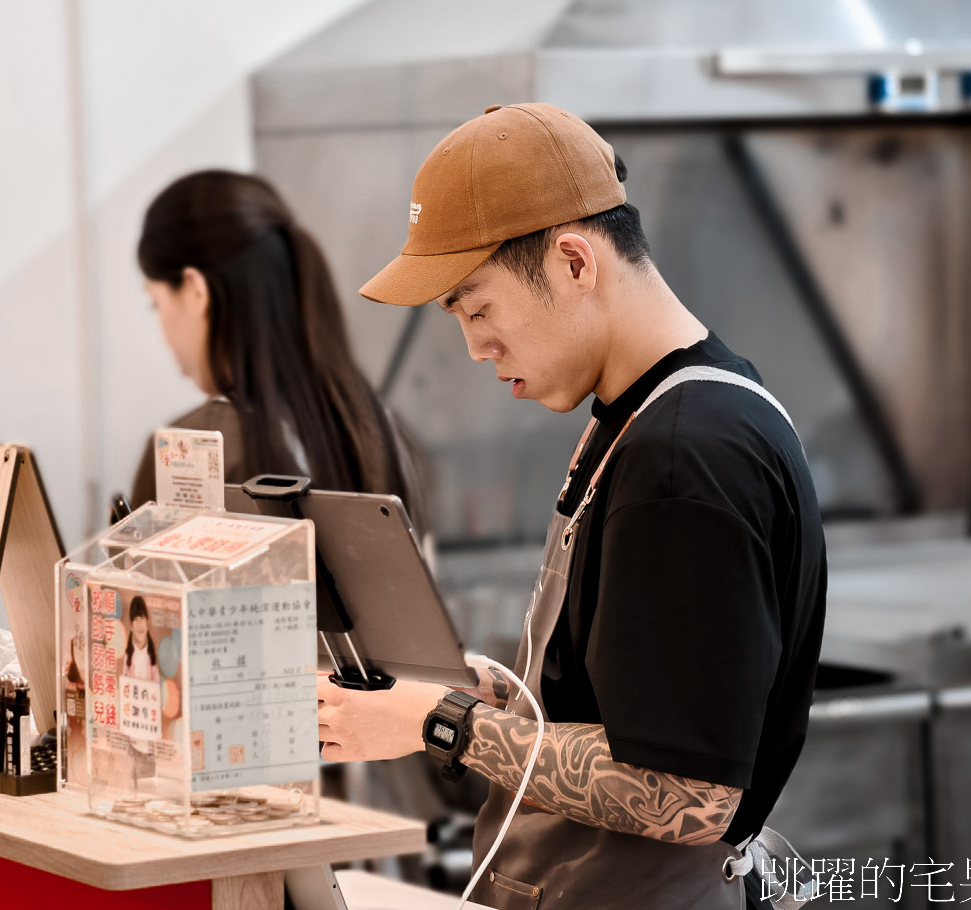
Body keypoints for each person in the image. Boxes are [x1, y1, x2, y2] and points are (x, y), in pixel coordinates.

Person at [316, 104, 826, 909]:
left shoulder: (687, 454)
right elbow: (627, 703)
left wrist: (442, 723)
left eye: (477, 308)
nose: (475, 346)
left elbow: (688, 793)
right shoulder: (641, 417)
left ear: (574, 262)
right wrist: (492, 690)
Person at [130, 170, 425, 529]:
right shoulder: (378, 425)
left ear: (195, 291)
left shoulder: (183, 453)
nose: (163, 331)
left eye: (156, 303)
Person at [123, 595, 156, 681]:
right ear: (131, 626)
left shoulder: (152, 657)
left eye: (142, 618)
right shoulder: (128, 657)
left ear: (147, 623)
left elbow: (156, 686)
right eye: (136, 619)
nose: (139, 624)